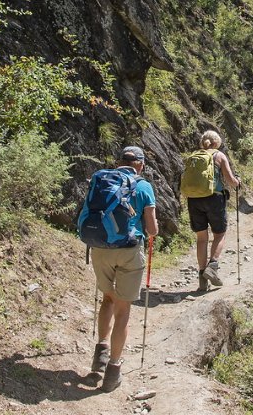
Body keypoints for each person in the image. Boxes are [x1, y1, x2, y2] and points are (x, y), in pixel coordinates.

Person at [87, 146, 158, 393]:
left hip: (100, 247)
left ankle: (101, 353)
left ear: (119, 162)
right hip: (128, 251)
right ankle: (113, 371)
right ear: (140, 164)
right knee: (123, 308)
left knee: (107, 299)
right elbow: (152, 229)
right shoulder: (144, 186)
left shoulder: (101, 179)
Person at [185, 130, 241, 292]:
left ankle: (202, 277)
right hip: (214, 198)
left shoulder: (193, 156)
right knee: (219, 234)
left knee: (201, 238)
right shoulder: (219, 156)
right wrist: (238, 182)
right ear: (216, 143)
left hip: (194, 200)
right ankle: (213, 265)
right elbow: (230, 180)